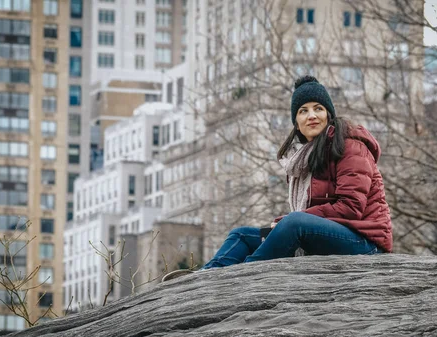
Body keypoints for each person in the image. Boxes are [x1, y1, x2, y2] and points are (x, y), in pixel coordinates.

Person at [162, 75, 392, 282]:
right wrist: (288, 223)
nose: (311, 116)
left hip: (364, 242)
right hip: (329, 234)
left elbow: (350, 207)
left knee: (292, 224)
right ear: (297, 122)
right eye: (303, 111)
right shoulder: (304, 158)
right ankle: (205, 278)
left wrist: (290, 220)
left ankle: (242, 277)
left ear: (328, 114)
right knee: (241, 234)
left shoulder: (350, 147)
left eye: (318, 108)